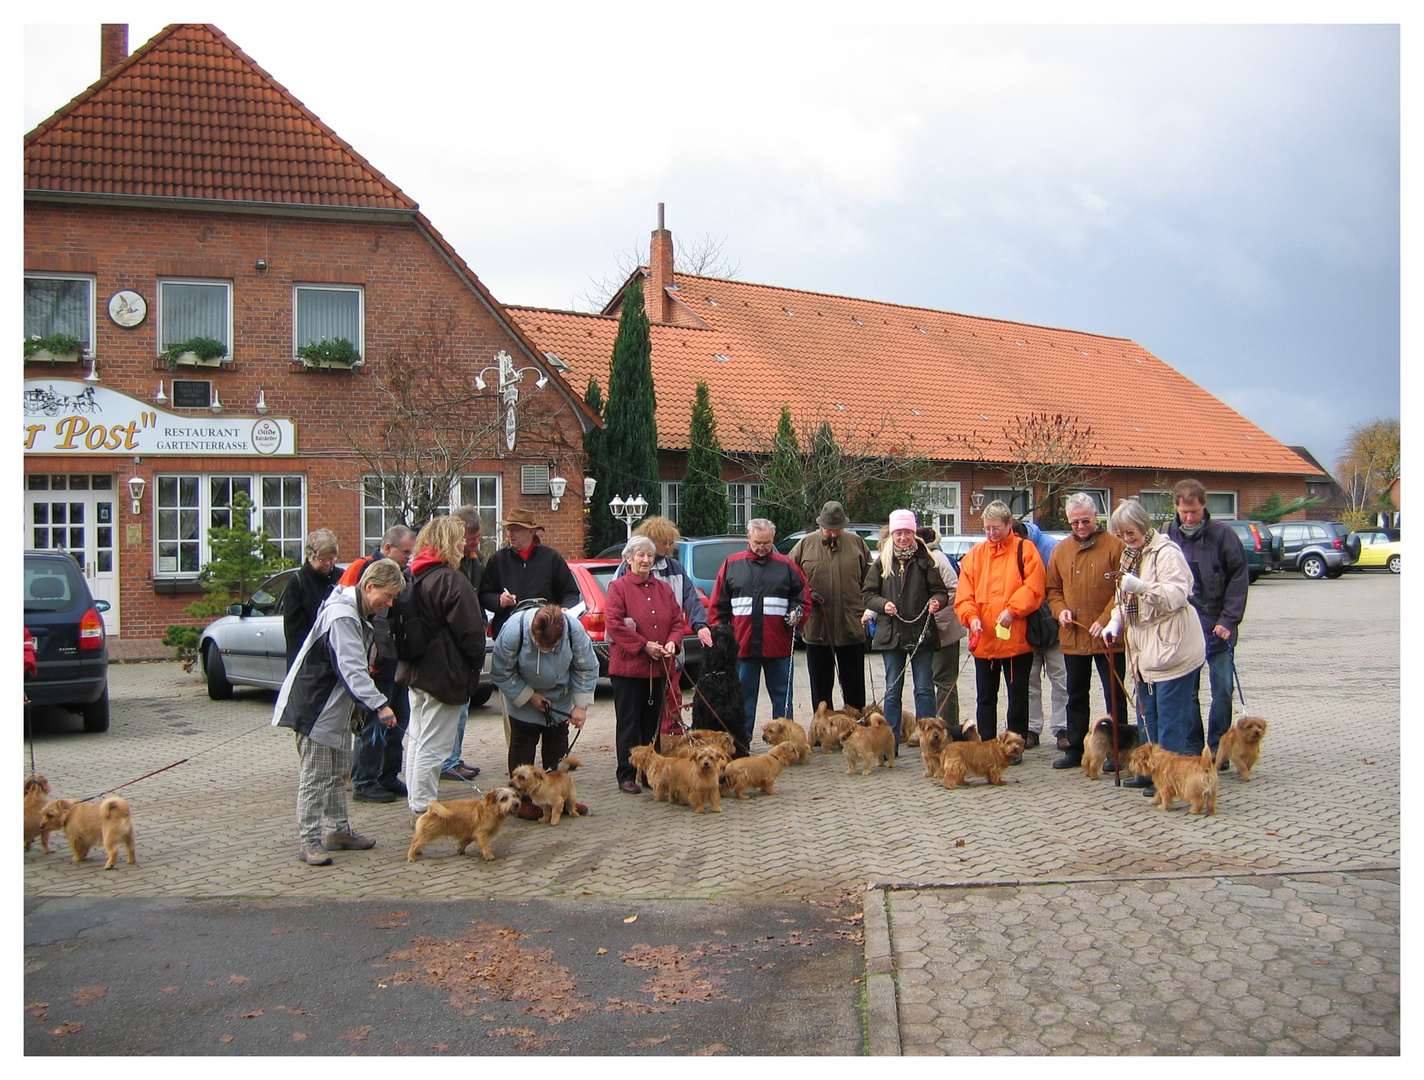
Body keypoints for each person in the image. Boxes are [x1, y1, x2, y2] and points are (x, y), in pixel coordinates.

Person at [272, 558, 403, 865]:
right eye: (387, 596)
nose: (389, 603)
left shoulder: (356, 612)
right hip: (314, 708)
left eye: (393, 598)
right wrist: (380, 705)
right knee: (315, 777)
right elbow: (352, 669)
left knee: (335, 774)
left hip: (334, 710)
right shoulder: (343, 616)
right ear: (369, 587)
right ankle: (310, 840)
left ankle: (338, 830)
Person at [1103, 498, 1206, 797]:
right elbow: (1124, 599)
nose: (1126, 539)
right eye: (1120, 534)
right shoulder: (1129, 556)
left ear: (1144, 526)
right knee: (1148, 716)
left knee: (1170, 718)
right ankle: (1151, 773)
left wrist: (1142, 587)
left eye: (1130, 532)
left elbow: (1177, 594)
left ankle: (1170, 781)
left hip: (1172, 644)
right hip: (1142, 649)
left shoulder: (1166, 552)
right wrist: (1115, 621)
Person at [395, 516, 489, 820]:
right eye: (460, 539)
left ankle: (417, 803)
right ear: (450, 542)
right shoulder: (451, 579)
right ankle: (423, 809)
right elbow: (471, 632)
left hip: (416, 672)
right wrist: (475, 664)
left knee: (419, 741)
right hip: (444, 675)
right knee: (433, 747)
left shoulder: (415, 574)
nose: (465, 545)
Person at [1165, 478, 1249, 763]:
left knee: (1222, 689)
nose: (1189, 518)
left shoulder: (1223, 535)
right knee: (1187, 692)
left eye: (1195, 512)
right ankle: (1193, 746)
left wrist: (1228, 620)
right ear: (1176, 507)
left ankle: (1218, 748)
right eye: (1184, 512)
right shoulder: (1167, 536)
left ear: (1204, 507)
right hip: (1183, 628)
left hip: (1218, 627)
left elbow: (1239, 579)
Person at [1044, 494, 1129, 770]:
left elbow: (1123, 590)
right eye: (1074, 522)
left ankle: (1118, 750)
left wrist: (1106, 619)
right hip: (1074, 636)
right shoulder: (1061, 550)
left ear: (1096, 517)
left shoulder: (1116, 547)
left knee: (1114, 695)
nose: (1080, 526)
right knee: (1075, 694)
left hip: (1108, 637)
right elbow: (1052, 590)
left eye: (1085, 521)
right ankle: (1076, 747)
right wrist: (1060, 611)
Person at [709, 518, 808, 745]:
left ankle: (787, 745)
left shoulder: (787, 566)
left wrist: (798, 613)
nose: (762, 547)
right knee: (743, 699)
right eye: (757, 543)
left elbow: (803, 597)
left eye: (767, 543)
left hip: (779, 644)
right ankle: (741, 743)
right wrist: (721, 638)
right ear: (748, 539)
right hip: (742, 646)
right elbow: (718, 606)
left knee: (783, 698)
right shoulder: (731, 565)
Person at [954, 500, 1045, 745]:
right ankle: (986, 744)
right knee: (985, 697)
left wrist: (1013, 611)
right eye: (987, 528)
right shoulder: (974, 556)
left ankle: (1015, 743)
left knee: (1017, 696)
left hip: (1016, 638)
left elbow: (1034, 587)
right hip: (985, 641)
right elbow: (964, 596)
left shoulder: (1025, 550)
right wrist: (971, 618)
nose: (991, 534)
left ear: (1008, 525)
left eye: (996, 528)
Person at [491, 601, 597, 810]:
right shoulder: (513, 631)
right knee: (522, 747)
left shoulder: (573, 630)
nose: (547, 651)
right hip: (523, 697)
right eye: (542, 646)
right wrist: (530, 696)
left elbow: (586, 667)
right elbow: (501, 670)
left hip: (559, 700)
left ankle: (559, 798)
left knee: (557, 748)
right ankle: (522, 802)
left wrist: (580, 706)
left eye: (552, 647)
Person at [337, 524, 416, 802]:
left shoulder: (403, 575)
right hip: (376, 663)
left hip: (396, 661)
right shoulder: (362, 569)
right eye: (405, 552)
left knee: (399, 721)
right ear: (387, 549)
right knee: (374, 723)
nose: (409, 557)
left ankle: (387, 775)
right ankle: (365, 780)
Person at [613, 515, 713, 731]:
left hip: (671, 648)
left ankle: (674, 738)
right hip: (639, 653)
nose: (667, 547)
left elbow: (691, 599)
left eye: (670, 543)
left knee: (672, 697)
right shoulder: (626, 570)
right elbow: (617, 615)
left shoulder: (675, 568)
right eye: (663, 543)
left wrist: (701, 625)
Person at [606, 535, 689, 792]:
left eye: (649, 555)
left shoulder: (663, 589)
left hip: (658, 669)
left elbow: (677, 620)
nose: (645, 560)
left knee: (652, 724)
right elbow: (614, 624)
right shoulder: (618, 588)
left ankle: (649, 773)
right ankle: (627, 774)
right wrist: (644, 645)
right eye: (640, 555)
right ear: (628, 559)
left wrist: (674, 642)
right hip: (629, 670)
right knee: (630, 724)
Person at [862, 510, 948, 742]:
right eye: (899, 533)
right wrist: (883, 604)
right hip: (891, 634)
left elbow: (941, 592)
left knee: (923, 688)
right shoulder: (881, 562)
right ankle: (891, 741)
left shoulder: (926, 561)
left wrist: (936, 601)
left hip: (921, 632)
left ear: (913, 533)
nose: (903, 537)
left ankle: (929, 739)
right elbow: (867, 594)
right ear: (892, 534)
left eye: (907, 533)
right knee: (892, 689)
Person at [788, 501, 872, 713]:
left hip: (850, 625)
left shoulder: (857, 543)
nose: (833, 534)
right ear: (820, 525)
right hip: (817, 626)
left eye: (837, 529)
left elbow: (870, 582)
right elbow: (790, 579)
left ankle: (856, 725)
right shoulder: (805, 544)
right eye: (828, 529)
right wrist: (805, 597)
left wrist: (868, 609)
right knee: (820, 686)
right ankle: (822, 729)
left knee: (854, 683)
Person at [479, 508, 581, 638]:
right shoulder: (498, 560)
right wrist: (499, 601)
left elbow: (570, 593)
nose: (510, 535)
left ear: (531, 532)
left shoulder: (552, 558)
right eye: (509, 530)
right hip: (508, 635)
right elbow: (484, 594)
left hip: (545, 634)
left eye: (515, 530)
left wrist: (566, 608)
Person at [441, 505, 489, 782]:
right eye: (472, 538)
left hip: (470, 641)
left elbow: (480, 595)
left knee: (462, 708)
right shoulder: (449, 567)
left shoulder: (474, 560)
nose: (476, 543)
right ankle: (447, 761)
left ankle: (453, 757)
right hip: (453, 648)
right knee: (452, 710)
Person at [1014, 519, 1068, 750]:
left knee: (1061, 677)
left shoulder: (1050, 547)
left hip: (1052, 622)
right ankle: (1031, 728)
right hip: (1023, 624)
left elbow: (1060, 584)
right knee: (1029, 679)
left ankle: (1063, 728)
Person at [917, 524, 965, 725]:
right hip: (928, 631)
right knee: (927, 681)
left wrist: (935, 624)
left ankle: (949, 727)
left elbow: (954, 592)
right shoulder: (922, 560)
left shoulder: (939, 561)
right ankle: (929, 726)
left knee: (945, 681)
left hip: (944, 631)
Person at [282, 528, 340, 670]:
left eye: (331, 558)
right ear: (310, 556)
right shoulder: (298, 583)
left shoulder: (340, 577)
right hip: (310, 662)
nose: (328, 564)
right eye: (322, 560)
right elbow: (295, 633)